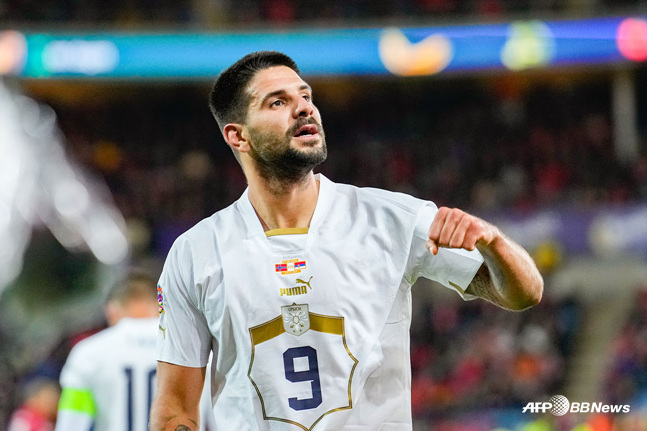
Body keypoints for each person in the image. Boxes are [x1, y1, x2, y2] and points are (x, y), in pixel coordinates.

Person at [149, 51, 543, 431]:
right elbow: (176, 411)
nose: (304, 108)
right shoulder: (195, 253)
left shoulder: (392, 219)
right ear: (238, 136)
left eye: (306, 96)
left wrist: (494, 243)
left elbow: (523, 293)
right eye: (278, 102)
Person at [54, 270, 215, 431]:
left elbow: (71, 425)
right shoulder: (200, 351)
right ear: (161, 306)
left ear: (111, 310)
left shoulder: (88, 353)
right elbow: (222, 421)